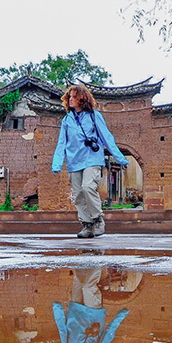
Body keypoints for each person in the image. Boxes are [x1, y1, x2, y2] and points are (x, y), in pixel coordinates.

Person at [51, 84, 129, 238]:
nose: (71, 100)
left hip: (92, 159)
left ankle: (98, 220)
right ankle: (87, 225)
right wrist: (57, 162)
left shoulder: (94, 116)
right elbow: (61, 142)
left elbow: (107, 137)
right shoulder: (67, 119)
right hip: (74, 162)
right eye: (69, 97)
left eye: (74, 97)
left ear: (82, 98)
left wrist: (120, 158)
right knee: (78, 194)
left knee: (87, 187)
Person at [52, 267, 129, 343]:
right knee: (88, 287)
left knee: (78, 280)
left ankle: (85, 256)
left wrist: (57, 311)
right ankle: (98, 261)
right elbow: (107, 337)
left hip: (75, 310)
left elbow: (62, 330)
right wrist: (119, 317)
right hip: (93, 313)